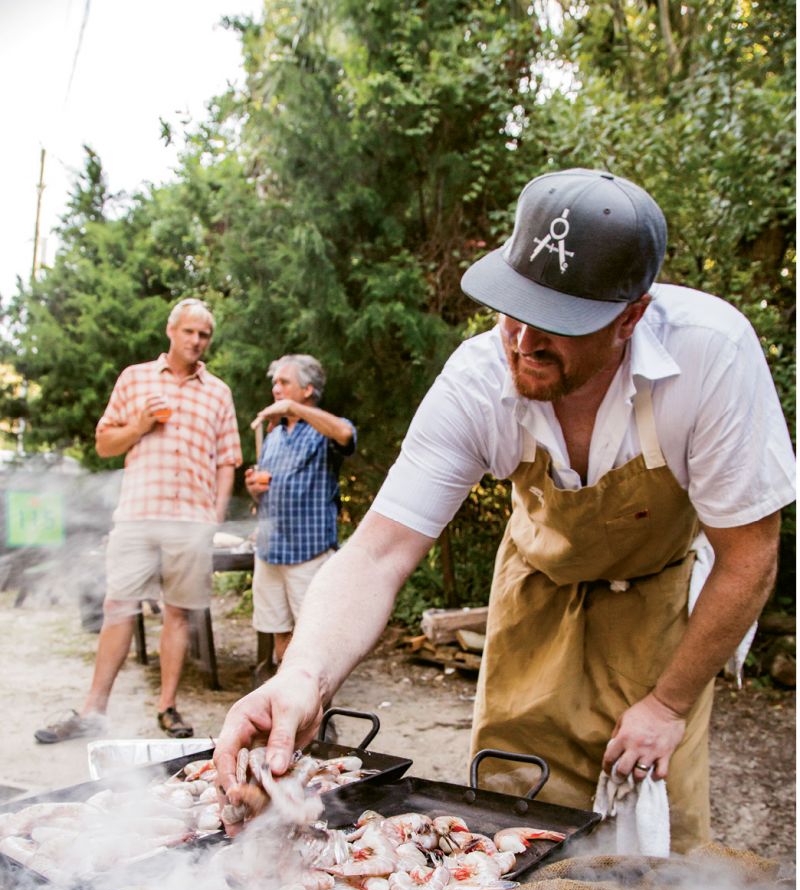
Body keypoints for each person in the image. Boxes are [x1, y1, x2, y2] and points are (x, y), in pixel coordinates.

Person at [214, 168, 795, 851]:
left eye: (557, 323)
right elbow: (377, 553)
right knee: (510, 813)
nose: (522, 340)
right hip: (536, 595)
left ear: (630, 316)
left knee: (652, 843)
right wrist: (302, 677)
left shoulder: (711, 357)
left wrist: (668, 703)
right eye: (513, 308)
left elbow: (749, 557)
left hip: (660, 605)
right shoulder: (478, 379)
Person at [35, 298, 242, 743]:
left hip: (191, 519)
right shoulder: (135, 378)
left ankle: (167, 707)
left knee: (178, 614)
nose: (196, 341)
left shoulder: (218, 391)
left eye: (204, 335)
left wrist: (216, 514)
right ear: (172, 331)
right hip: (137, 514)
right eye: (189, 331)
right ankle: (93, 711)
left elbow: (228, 460)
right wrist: (141, 425)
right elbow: (105, 444)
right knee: (117, 607)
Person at [244, 354, 356, 676]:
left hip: (309, 554)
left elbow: (346, 435)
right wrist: (254, 487)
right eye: (274, 383)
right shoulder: (274, 436)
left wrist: (294, 410)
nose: (276, 389)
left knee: (314, 640)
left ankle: (320, 717)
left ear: (307, 390)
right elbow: (264, 490)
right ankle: (291, 711)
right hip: (270, 552)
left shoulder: (323, 431)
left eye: (284, 382)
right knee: (281, 633)